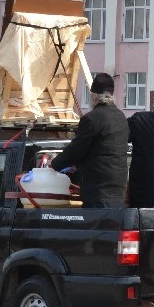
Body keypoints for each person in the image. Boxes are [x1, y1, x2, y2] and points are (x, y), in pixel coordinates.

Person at [50, 73, 129, 208]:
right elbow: (102, 148)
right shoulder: (121, 117)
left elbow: (77, 149)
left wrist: (55, 164)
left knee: (97, 226)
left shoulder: (91, 119)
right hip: (118, 188)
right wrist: (79, 165)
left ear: (94, 96)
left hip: (98, 190)